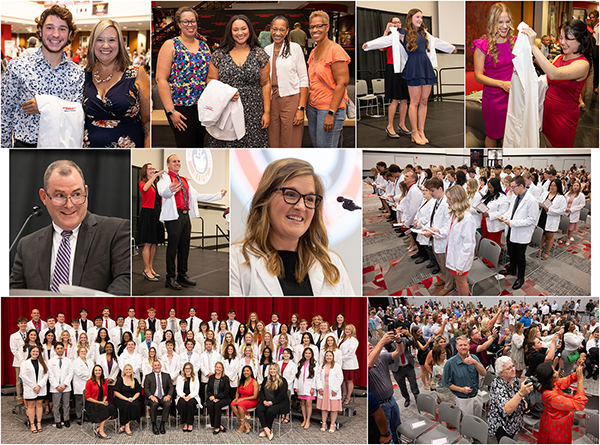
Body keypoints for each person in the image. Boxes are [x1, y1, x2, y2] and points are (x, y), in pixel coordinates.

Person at [231, 158, 353, 295]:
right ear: (265, 199)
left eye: (309, 199)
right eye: (290, 194)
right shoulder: (235, 261)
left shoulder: (332, 264)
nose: (301, 207)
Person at [10, 160, 130, 295]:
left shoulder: (115, 231)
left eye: (77, 195)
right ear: (44, 197)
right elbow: (14, 292)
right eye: (60, 196)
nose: (69, 205)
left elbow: (126, 279)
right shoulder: (26, 245)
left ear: (86, 192)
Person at [363, 9, 456, 145]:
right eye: (417, 17)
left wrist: (450, 48)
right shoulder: (402, 33)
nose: (420, 19)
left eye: (421, 17)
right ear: (410, 18)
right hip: (413, 66)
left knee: (424, 101)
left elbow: (436, 41)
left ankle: (421, 130)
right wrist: (369, 45)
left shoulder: (424, 33)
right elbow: (387, 40)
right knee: (414, 102)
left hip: (425, 66)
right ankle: (414, 132)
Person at [1, 5, 84, 148]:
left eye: (62, 29)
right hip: (26, 147)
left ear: (70, 34)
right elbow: (4, 114)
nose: (56, 34)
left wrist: (45, 104)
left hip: (63, 147)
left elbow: (77, 114)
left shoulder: (78, 74)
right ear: (40, 31)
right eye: (50, 27)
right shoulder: (17, 67)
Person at [157, 154, 227, 290]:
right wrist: (168, 190)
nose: (177, 163)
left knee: (184, 247)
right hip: (173, 217)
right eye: (174, 161)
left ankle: (182, 275)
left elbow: (197, 195)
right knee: (172, 248)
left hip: (185, 216)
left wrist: (218, 195)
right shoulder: (164, 179)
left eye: (178, 161)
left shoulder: (184, 180)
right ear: (168, 165)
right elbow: (162, 193)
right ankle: (170, 277)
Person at [523, 20, 592, 147]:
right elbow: (548, 71)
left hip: (564, 117)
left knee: (560, 150)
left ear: (581, 40)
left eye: (568, 39)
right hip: (548, 112)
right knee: (548, 146)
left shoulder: (582, 64)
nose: (562, 42)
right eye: (561, 37)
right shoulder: (559, 58)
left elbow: (553, 74)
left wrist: (533, 46)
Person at [206, 14, 270, 148]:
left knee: (252, 148)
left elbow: (265, 83)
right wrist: (226, 94)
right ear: (230, 32)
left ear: (249, 30)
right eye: (235, 30)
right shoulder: (219, 54)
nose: (240, 33)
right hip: (225, 110)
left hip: (253, 112)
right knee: (225, 146)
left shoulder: (260, 54)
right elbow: (211, 81)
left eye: (243, 29)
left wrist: (267, 112)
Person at [83, 19, 150, 147]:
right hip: (90, 150)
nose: (105, 45)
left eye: (111, 40)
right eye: (100, 40)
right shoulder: (84, 74)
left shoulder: (136, 73)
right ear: (92, 44)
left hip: (129, 149)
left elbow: (147, 123)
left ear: (119, 43)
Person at [156, 7, 211, 147]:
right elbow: (161, 79)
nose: (190, 24)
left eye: (192, 21)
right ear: (179, 24)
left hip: (203, 106)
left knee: (200, 144)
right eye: (185, 21)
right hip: (180, 106)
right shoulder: (170, 45)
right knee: (186, 145)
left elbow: (210, 76)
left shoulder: (204, 46)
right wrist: (171, 111)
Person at [472, 3, 515, 148]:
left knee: (509, 134)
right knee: (493, 135)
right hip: (494, 98)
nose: (504, 26)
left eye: (507, 21)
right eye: (500, 22)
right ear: (492, 22)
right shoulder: (482, 45)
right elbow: (478, 76)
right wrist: (502, 84)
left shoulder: (515, 41)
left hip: (513, 96)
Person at [306, 11, 350, 148]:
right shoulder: (313, 51)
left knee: (326, 149)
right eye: (312, 27)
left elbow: (342, 83)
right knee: (317, 147)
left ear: (327, 27)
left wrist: (331, 113)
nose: (315, 30)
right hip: (313, 107)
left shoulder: (335, 50)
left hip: (330, 109)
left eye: (319, 26)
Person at [265, 16, 308, 148]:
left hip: (291, 99)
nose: (278, 33)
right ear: (270, 30)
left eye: (282, 30)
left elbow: (303, 79)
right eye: (275, 29)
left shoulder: (295, 48)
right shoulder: (266, 50)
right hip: (271, 99)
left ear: (287, 31)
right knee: (272, 138)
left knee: (291, 139)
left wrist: (301, 108)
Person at [498, 176, 539, 290]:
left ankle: (521, 277)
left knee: (520, 257)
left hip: (522, 233)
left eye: (513, 187)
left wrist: (512, 223)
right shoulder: (516, 197)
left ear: (521, 186)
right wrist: (504, 216)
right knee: (511, 252)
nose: (511, 190)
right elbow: (511, 212)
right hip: (511, 229)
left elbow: (532, 220)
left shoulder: (531, 200)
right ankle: (511, 269)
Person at [434, 185, 476, 296]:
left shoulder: (467, 218)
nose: (447, 201)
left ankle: (465, 302)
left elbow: (468, 245)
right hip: (453, 255)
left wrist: (460, 265)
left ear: (457, 199)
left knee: (461, 283)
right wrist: (437, 231)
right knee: (457, 281)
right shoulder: (454, 213)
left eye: (449, 199)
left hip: (460, 259)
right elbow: (448, 231)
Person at [536, 361, 588, 443]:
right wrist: (580, 381)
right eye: (554, 371)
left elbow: (567, 380)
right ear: (550, 377)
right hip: (556, 426)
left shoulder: (550, 384)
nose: (557, 372)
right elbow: (579, 403)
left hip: (556, 420)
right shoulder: (550, 396)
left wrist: (578, 370)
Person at [487, 356, 533, 442]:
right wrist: (521, 393)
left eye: (513, 366)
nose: (513, 369)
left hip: (514, 422)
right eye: (509, 368)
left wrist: (523, 401)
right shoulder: (497, 385)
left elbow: (516, 393)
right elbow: (507, 410)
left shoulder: (513, 378)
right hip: (503, 425)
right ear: (501, 373)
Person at [422, 178, 454, 296]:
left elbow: (448, 226)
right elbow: (433, 218)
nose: (430, 193)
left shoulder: (446, 204)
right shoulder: (437, 200)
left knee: (445, 263)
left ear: (440, 189)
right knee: (440, 262)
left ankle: (449, 285)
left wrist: (433, 232)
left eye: (432, 190)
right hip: (436, 236)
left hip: (443, 239)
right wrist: (426, 228)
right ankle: (446, 279)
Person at [441, 336, 486, 417]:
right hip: (463, 400)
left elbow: (484, 373)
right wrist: (461, 389)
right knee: (467, 423)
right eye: (460, 345)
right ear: (456, 347)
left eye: (465, 345)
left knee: (478, 420)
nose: (463, 347)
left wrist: (475, 363)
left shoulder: (474, 358)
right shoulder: (450, 363)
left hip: (477, 396)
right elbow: (446, 383)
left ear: (468, 346)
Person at [138, 163, 165, 281]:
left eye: (153, 169)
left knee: (154, 243)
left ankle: (150, 267)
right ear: (145, 171)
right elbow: (144, 189)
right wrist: (155, 176)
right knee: (148, 243)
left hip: (156, 213)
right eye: (150, 169)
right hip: (148, 213)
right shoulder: (143, 183)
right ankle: (146, 269)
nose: (153, 170)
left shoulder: (155, 184)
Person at [256, 363, 290, 440]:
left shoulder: (282, 380)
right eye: (271, 369)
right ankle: (266, 429)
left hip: (280, 402)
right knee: (259, 409)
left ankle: (267, 428)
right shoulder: (266, 379)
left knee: (270, 410)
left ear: (277, 370)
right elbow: (261, 392)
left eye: (274, 369)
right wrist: (264, 400)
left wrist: (272, 402)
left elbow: (282, 395)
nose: (272, 370)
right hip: (266, 401)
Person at [537, 178, 567, 260]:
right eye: (551, 185)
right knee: (541, 235)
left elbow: (562, 211)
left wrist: (549, 210)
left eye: (555, 186)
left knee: (549, 236)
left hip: (551, 219)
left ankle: (547, 252)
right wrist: (539, 205)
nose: (552, 187)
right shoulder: (545, 193)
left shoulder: (561, 198)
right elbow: (539, 200)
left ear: (558, 187)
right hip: (542, 216)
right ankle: (540, 249)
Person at [21, 346, 49, 433]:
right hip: (30, 388)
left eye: (37, 351)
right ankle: (32, 424)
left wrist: (39, 386)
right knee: (31, 406)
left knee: (39, 405)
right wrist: (34, 387)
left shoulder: (43, 362)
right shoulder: (24, 363)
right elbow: (23, 376)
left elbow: (46, 375)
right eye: (33, 351)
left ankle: (39, 423)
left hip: (40, 388)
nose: (35, 353)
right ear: (30, 352)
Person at [85, 365, 118, 439]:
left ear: (102, 371)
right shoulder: (89, 382)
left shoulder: (104, 381)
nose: (98, 372)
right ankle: (101, 431)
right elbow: (88, 397)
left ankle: (99, 428)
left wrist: (104, 401)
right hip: (92, 403)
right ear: (93, 372)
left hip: (101, 402)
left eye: (99, 370)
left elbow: (105, 394)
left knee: (111, 408)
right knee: (104, 409)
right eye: (96, 370)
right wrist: (100, 403)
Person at [143, 360, 174, 435]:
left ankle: (162, 424)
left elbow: (171, 387)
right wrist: (151, 396)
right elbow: (146, 388)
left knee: (168, 404)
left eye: (158, 365)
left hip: (163, 397)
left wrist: (168, 395)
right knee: (153, 405)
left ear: (161, 366)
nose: (157, 367)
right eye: (155, 365)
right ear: (152, 367)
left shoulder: (166, 375)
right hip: (153, 397)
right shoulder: (148, 376)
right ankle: (154, 424)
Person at [316, 350, 343, 433]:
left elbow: (340, 378)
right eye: (327, 355)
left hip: (333, 390)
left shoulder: (337, 366)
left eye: (330, 355)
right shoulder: (321, 365)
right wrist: (319, 387)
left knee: (333, 409)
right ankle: (324, 423)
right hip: (323, 389)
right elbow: (317, 377)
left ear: (333, 357)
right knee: (324, 408)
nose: (328, 357)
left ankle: (332, 424)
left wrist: (335, 389)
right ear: (324, 357)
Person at [113, 364, 142, 435]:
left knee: (136, 404)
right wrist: (126, 399)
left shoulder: (134, 380)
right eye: (126, 369)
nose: (128, 371)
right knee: (126, 405)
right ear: (124, 371)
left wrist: (133, 398)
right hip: (120, 399)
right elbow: (116, 392)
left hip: (132, 398)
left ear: (132, 371)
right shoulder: (120, 379)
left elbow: (138, 392)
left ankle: (123, 425)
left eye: (130, 369)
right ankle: (127, 427)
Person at [231, 365, 259, 434]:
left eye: (247, 371)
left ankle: (242, 426)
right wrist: (236, 398)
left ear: (251, 372)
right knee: (232, 404)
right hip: (241, 399)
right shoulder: (241, 381)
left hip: (251, 400)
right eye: (244, 371)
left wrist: (243, 399)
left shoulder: (254, 382)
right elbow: (237, 391)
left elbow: (255, 396)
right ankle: (245, 423)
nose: (245, 372)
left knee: (240, 405)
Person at [206, 361, 231, 435]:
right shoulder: (211, 377)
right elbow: (208, 390)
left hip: (223, 398)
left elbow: (226, 392)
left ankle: (217, 427)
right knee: (210, 404)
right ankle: (218, 424)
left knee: (217, 405)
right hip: (212, 397)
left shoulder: (225, 378)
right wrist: (212, 397)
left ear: (222, 369)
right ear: (215, 368)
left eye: (220, 367)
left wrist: (216, 397)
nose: (218, 368)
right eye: (217, 367)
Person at [175, 361, 201, 432]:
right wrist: (183, 396)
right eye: (186, 368)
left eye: (189, 368)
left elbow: (196, 390)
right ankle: (185, 423)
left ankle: (190, 423)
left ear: (191, 369)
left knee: (190, 403)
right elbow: (178, 389)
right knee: (182, 403)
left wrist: (189, 396)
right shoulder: (180, 378)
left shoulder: (195, 378)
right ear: (183, 370)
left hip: (193, 397)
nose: (187, 370)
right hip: (182, 396)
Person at [295, 347, 317, 429]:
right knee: (303, 403)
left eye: (309, 353)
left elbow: (316, 377)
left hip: (310, 387)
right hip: (301, 386)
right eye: (306, 353)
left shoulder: (315, 364)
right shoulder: (300, 363)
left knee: (308, 403)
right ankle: (304, 419)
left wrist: (313, 387)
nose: (307, 355)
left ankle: (308, 420)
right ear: (304, 354)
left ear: (312, 355)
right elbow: (297, 376)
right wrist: (296, 386)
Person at [338, 323, 359, 405]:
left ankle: (348, 396)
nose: (347, 330)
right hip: (341, 363)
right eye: (346, 329)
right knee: (342, 380)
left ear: (352, 331)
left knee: (349, 381)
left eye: (349, 329)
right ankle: (343, 395)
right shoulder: (342, 338)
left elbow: (351, 354)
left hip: (349, 364)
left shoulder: (353, 340)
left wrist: (340, 358)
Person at [10, 317, 28, 405]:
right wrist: (21, 359)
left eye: (25, 323)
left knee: (28, 379)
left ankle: (26, 395)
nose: (23, 325)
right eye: (21, 323)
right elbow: (14, 350)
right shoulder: (13, 336)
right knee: (19, 380)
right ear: (18, 324)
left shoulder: (30, 334)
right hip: (18, 362)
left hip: (29, 360)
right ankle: (19, 397)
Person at [562, 180, 586, 246]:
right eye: (574, 185)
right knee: (564, 226)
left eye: (577, 186)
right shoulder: (568, 193)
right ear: (572, 186)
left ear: (579, 187)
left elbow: (582, 205)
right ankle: (563, 237)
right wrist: (565, 208)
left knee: (570, 228)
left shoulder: (581, 195)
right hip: (566, 211)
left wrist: (571, 209)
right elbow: (563, 200)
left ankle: (568, 239)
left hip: (573, 213)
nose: (575, 187)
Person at [73, 346, 91, 425]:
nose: (83, 353)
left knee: (87, 401)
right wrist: (89, 376)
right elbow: (79, 373)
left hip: (89, 384)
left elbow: (93, 371)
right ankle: (79, 417)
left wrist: (90, 376)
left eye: (85, 351)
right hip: (79, 384)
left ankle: (86, 415)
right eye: (82, 351)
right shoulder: (75, 362)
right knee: (79, 401)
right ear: (78, 353)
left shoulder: (90, 361)